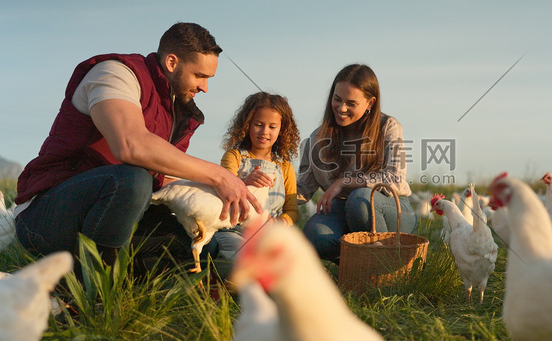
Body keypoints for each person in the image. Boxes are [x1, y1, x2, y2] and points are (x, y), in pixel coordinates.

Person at [13, 22, 262, 273]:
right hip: (46, 217)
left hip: (117, 218)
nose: (204, 87)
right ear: (172, 62)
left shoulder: (179, 112)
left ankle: (131, 278)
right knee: (132, 179)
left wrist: (230, 198)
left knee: (205, 254)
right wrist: (220, 175)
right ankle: (92, 294)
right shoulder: (115, 73)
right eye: (199, 76)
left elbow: (163, 180)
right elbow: (130, 145)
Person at [297, 64, 417, 262]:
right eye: (337, 99)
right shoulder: (317, 139)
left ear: (370, 103)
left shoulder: (388, 127)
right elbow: (303, 188)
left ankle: (386, 264)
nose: (341, 108)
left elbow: (395, 179)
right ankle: (360, 264)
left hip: (389, 209)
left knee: (359, 199)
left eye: (350, 103)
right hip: (342, 210)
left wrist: (345, 181)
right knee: (314, 236)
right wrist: (266, 194)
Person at [212, 91, 300, 260]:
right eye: (258, 124)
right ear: (247, 125)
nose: (264, 131)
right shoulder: (234, 157)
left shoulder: (285, 167)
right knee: (243, 257)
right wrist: (243, 182)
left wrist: (279, 223)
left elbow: (291, 210)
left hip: (269, 234)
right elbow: (223, 190)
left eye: (272, 127)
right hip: (234, 231)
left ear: (282, 130)